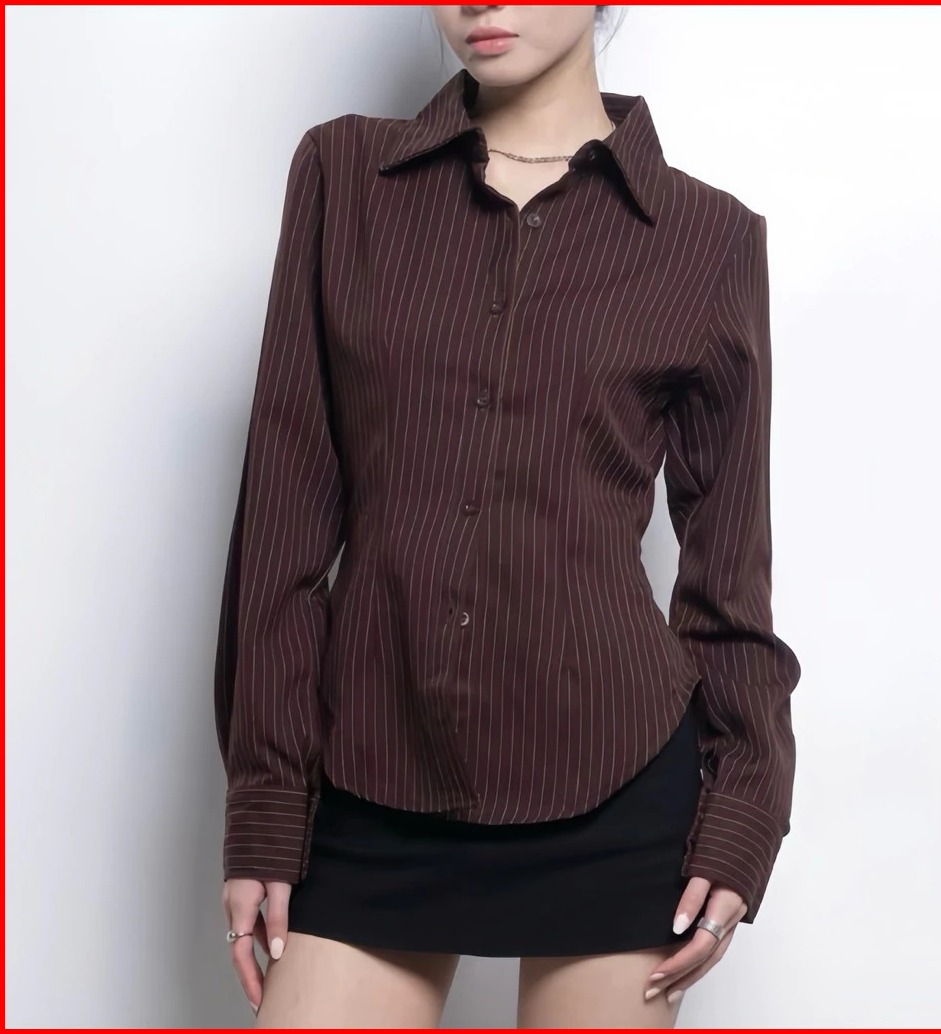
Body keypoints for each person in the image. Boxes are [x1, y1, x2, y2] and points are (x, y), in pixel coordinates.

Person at [213, 5, 802, 1028]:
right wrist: (265, 798)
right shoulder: (344, 178)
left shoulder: (707, 239)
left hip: (614, 782)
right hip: (371, 769)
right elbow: (283, 524)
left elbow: (728, 576)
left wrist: (743, 810)